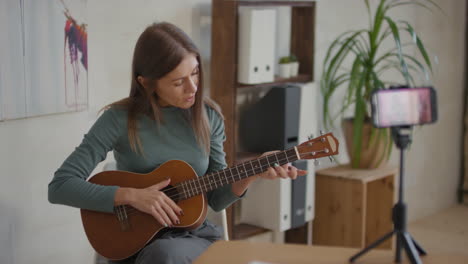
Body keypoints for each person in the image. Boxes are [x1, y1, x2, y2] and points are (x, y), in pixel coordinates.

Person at [48, 22, 306, 264]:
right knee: (162, 253)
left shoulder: (209, 117)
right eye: (178, 81)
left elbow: (216, 199)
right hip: (133, 240)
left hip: (192, 238)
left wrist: (253, 172)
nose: (192, 87)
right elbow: (60, 186)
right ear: (147, 83)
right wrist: (133, 196)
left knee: (166, 253)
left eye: (195, 73)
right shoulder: (118, 119)